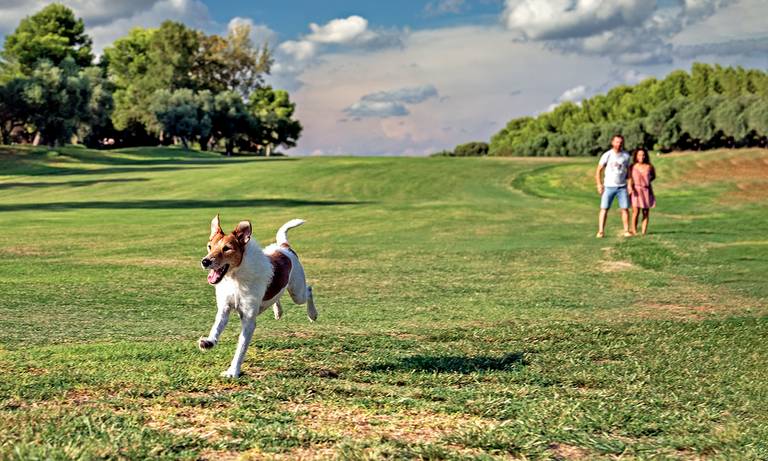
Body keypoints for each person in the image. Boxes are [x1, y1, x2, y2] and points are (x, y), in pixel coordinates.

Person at [595, 134, 632, 238]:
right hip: (608, 186)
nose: (618, 144)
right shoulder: (607, 155)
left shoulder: (626, 156)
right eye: (616, 142)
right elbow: (598, 171)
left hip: (622, 187)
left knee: (624, 209)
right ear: (612, 142)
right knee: (604, 208)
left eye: (620, 142)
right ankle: (601, 231)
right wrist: (599, 184)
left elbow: (629, 172)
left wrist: (629, 185)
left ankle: (626, 231)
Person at [629, 147, 656, 235]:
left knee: (645, 212)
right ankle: (634, 230)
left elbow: (653, 176)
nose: (642, 157)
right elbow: (629, 178)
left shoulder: (649, 167)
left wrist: (646, 182)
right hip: (635, 190)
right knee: (635, 212)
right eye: (640, 155)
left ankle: (644, 232)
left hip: (646, 190)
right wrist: (630, 187)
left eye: (643, 155)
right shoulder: (632, 166)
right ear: (636, 156)